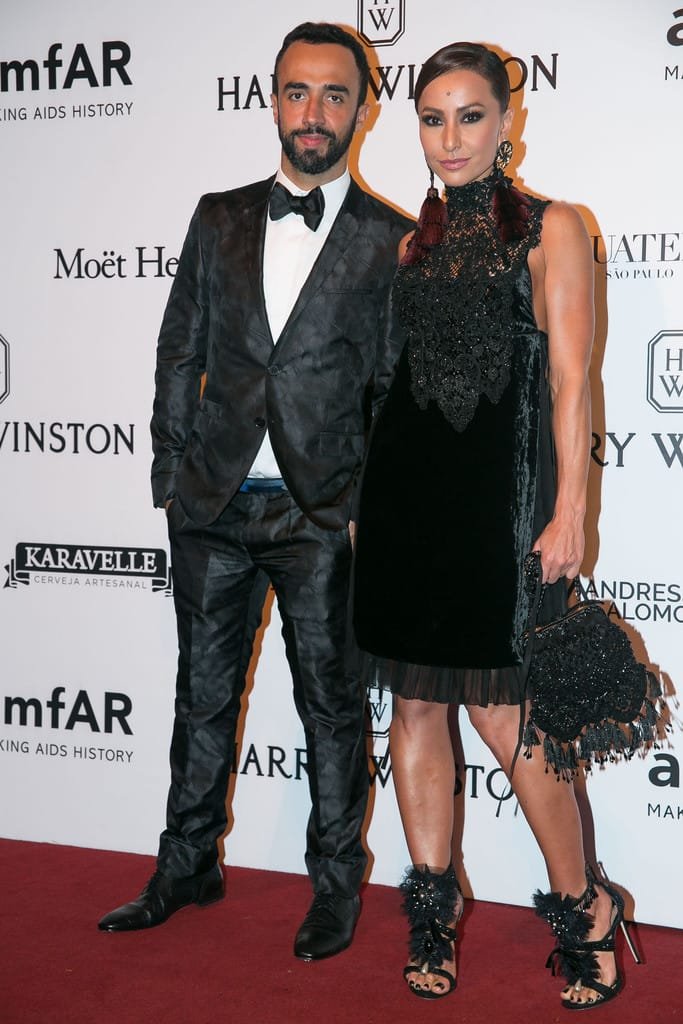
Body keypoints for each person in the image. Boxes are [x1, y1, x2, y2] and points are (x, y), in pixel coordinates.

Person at [97, 22, 412, 961]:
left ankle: (335, 886)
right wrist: (169, 475)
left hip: (319, 516)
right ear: (272, 99)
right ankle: (185, 865)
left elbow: (393, 392)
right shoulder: (218, 216)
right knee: (200, 697)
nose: (312, 113)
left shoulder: (391, 241)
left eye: (333, 95)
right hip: (213, 503)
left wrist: (362, 511)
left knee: (331, 710)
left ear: (361, 110)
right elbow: (178, 348)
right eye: (296, 91)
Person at [353, 42, 633, 1006]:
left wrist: (569, 510)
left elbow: (572, 382)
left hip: (501, 509)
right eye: (432, 119)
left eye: (469, 115)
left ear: (507, 120)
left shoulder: (555, 227)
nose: (450, 138)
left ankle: (584, 906)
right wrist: (366, 512)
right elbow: (392, 390)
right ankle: (432, 916)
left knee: (506, 715)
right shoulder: (411, 246)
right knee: (414, 707)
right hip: (404, 506)